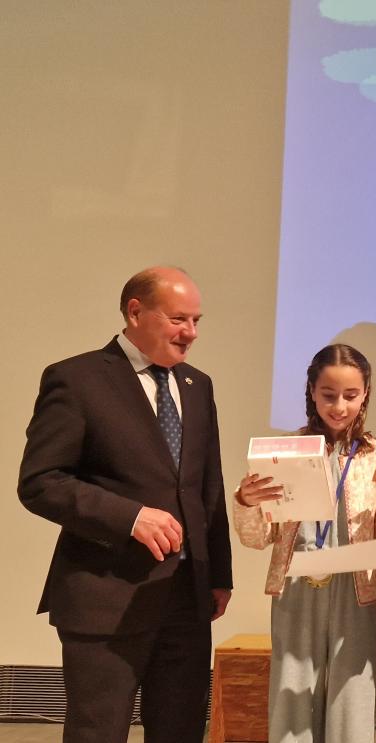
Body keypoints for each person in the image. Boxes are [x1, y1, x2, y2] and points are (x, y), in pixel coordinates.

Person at [18, 266, 233, 743]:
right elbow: (40, 482)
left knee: (180, 732)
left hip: (185, 599)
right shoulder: (77, 379)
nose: (191, 333)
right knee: (97, 733)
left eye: (196, 320)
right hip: (105, 599)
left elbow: (208, 487)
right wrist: (129, 517)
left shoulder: (198, 386)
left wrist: (218, 574)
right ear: (135, 312)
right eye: (178, 319)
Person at [233, 343, 376, 743]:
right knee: (291, 697)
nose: (339, 406)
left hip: (356, 592)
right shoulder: (284, 453)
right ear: (311, 392)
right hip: (296, 589)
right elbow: (257, 538)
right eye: (329, 395)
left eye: (350, 395)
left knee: (352, 695)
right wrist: (245, 501)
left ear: (366, 393)